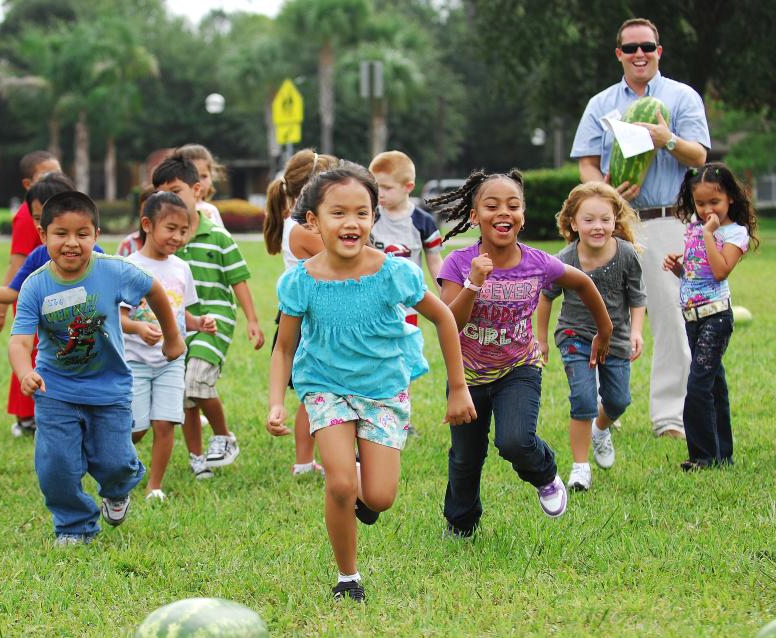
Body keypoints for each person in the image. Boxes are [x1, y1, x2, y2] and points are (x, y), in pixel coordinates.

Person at [267, 163, 476, 602]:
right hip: (325, 386)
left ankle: (361, 489)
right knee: (340, 483)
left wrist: (458, 387)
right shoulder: (301, 282)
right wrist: (276, 403)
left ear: (374, 217)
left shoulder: (393, 273)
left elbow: (442, 317)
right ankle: (348, 578)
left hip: (382, 389)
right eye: (338, 213)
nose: (351, 223)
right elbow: (284, 347)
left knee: (379, 498)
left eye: (361, 213)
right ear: (313, 222)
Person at [432, 170, 613, 536]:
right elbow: (449, 323)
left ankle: (545, 474)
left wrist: (605, 330)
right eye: (492, 205)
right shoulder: (457, 262)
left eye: (513, 206)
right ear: (474, 216)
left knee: (514, 440)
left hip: (519, 367)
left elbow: (582, 282)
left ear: (523, 216)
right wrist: (473, 283)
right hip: (466, 377)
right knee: (466, 458)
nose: (504, 212)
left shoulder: (538, 263)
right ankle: (461, 524)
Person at [9, 190, 185, 546]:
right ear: (43, 236)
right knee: (55, 466)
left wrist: (173, 337)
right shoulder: (35, 285)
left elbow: (153, 289)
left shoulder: (112, 271)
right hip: (55, 391)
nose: (71, 243)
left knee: (116, 461)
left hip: (110, 389)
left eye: (82, 234)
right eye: (61, 234)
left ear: (96, 235)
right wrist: (24, 371)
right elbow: (20, 341)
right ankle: (74, 525)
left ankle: (119, 488)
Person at [571, 17, 710, 439]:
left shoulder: (681, 97)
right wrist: (601, 191)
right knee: (602, 316)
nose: (639, 54)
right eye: (630, 48)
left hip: (666, 218)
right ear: (619, 54)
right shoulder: (601, 104)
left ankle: (669, 417)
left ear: (659, 51)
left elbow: (699, 156)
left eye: (647, 47)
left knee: (669, 315)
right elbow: (587, 160)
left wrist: (665, 138)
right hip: (615, 224)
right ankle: (601, 413)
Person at [152, 156, 265, 479]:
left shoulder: (217, 236)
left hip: (216, 319)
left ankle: (224, 437)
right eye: (162, 194)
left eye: (176, 191)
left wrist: (253, 320)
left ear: (197, 190)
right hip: (178, 324)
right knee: (184, 394)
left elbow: (238, 279)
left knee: (196, 381)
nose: (169, 200)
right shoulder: (168, 240)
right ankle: (197, 458)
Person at [535, 182, 646, 492]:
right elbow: (546, 297)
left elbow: (638, 298)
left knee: (618, 401)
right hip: (575, 335)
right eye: (589, 219)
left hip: (617, 338)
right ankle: (580, 467)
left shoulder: (626, 255)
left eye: (605, 219)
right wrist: (541, 340)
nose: (598, 226)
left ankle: (601, 429)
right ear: (573, 223)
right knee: (583, 399)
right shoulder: (565, 259)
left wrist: (636, 332)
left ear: (615, 221)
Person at [120, 192, 217, 500]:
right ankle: (113, 467)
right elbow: (117, 317)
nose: (178, 236)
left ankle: (155, 486)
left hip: (171, 362)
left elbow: (179, 313)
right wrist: (137, 327)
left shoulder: (180, 268)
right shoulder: (128, 267)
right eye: (171, 228)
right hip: (134, 360)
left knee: (166, 423)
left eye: (183, 230)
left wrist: (198, 322)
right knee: (136, 428)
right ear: (147, 224)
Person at [662, 163, 758, 471]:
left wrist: (707, 234)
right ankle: (722, 455)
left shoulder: (734, 233)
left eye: (713, 202)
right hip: (692, 315)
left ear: (730, 198)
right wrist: (678, 266)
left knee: (699, 385)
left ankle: (702, 457)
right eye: (700, 203)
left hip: (716, 316)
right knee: (715, 385)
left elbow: (720, 270)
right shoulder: (694, 226)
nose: (706, 210)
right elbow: (696, 274)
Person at [263, 148, 337, 476]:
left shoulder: (296, 226)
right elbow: (347, 260)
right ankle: (306, 462)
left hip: (315, 317)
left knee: (315, 393)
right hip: (311, 322)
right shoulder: (305, 232)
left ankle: (306, 462)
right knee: (316, 393)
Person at [0, 174, 106, 312]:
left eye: (50, 217)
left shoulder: (95, 256)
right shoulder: (38, 256)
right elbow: (11, 293)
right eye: (37, 218)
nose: (42, 224)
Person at [0, 151, 62, 437]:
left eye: (58, 173)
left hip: (60, 296)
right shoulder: (25, 216)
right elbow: (17, 263)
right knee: (28, 355)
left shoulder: (62, 212)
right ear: (29, 183)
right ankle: (26, 416)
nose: (54, 179)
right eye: (46, 175)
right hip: (31, 295)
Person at [368, 150, 444, 319]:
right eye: (376, 186)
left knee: (408, 345)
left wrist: (446, 297)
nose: (379, 192)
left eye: (387, 187)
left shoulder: (423, 222)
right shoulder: (369, 217)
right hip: (375, 301)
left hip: (409, 302)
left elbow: (435, 262)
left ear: (408, 187)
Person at [173, 144, 225, 228]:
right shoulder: (171, 209)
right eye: (192, 176)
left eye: (204, 176)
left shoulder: (212, 210)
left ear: (211, 176)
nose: (199, 183)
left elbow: (223, 239)